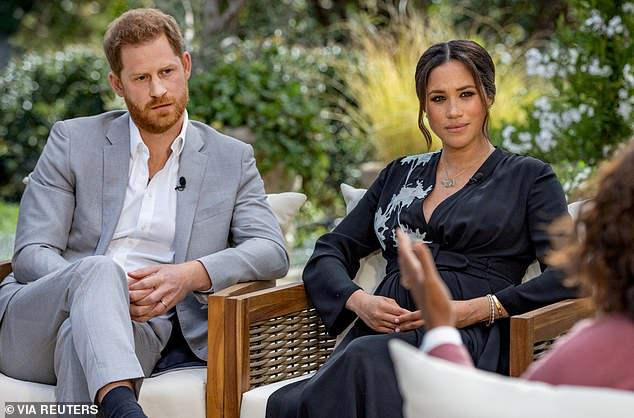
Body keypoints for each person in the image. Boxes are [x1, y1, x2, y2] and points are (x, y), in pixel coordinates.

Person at [0, 8, 289, 418]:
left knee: (77, 341)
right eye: (141, 78)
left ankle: (119, 407)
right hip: (34, 325)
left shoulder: (231, 158)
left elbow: (270, 250)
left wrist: (190, 274)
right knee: (99, 272)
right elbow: (31, 253)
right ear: (117, 84)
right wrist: (100, 289)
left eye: (167, 72)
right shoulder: (72, 141)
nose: (158, 90)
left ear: (185, 66)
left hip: (140, 329)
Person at [266, 39, 577, 418]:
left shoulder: (530, 177)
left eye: (466, 94)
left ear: (488, 97)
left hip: (467, 338)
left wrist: (479, 310)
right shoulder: (400, 174)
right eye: (438, 99)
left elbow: (567, 273)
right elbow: (331, 249)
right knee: (345, 368)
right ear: (424, 107)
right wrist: (359, 301)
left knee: (362, 363)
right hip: (384, 333)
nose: (453, 112)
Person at [397, 139, 634, 391]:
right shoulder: (399, 173)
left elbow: (500, 408)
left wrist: (443, 328)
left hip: (472, 339)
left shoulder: (590, 355)